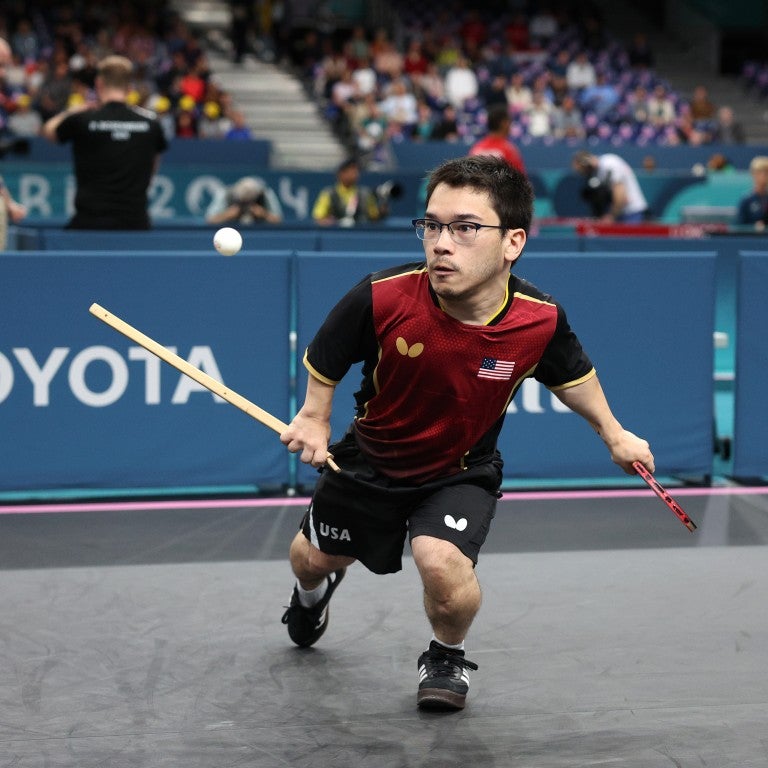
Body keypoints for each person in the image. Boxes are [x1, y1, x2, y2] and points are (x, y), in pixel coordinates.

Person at [278, 155, 655, 711]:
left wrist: (614, 433)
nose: (440, 243)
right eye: (431, 225)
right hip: (368, 458)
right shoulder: (384, 296)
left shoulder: (538, 319)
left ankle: (446, 654)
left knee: (441, 562)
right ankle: (312, 597)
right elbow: (327, 355)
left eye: (464, 228)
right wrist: (313, 417)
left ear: (513, 243)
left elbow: (573, 377)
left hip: (459, 468)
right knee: (313, 561)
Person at [41, 54, 168, 230]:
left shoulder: (82, 119)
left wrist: (73, 111)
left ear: (99, 83)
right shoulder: (152, 124)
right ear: (130, 88)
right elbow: (154, 164)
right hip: (136, 224)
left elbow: (49, 131)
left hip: (89, 224)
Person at [572, 150, 649, 223]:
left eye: (583, 170)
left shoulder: (609, 164)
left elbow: (620, 194)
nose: (584, 173)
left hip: (632, 213)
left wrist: (611, 216)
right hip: (621, 214)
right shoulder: (599, 172)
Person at [311, 157, 386, 227]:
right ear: (341, 174)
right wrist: (332, 222)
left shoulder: (365, 193)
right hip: (336, 235)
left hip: (360, 235)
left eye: (357, 171)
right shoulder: (329, 193)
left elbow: (374, 217)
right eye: (352, 170)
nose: (356, 174)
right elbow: (318, 218)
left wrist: (382, 212)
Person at [468, 104, 526, 175]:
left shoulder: (476, 148)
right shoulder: (509, 150)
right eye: (509, 121)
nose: (510, 125)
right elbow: (520, 180)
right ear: (504, 123)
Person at [206, 176, 283, 225]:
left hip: (260, 233)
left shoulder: (266, 194)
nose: (247, 205)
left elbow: (278, 220)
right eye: (244, 200)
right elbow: (210, 220)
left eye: (250, 201)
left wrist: (264, 214)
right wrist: (227, 215)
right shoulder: (225, 194)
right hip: (230, 231)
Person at [735, 155, 768, 231]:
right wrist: (753, 227)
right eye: (764, 173)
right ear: (754, 174)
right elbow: (739, 227)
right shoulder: (746, 200)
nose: (766, 176)